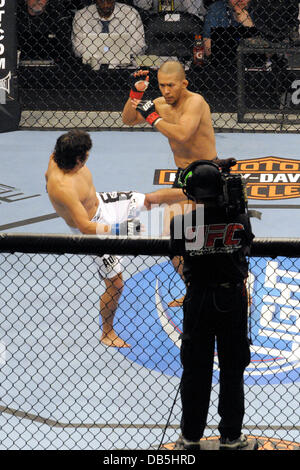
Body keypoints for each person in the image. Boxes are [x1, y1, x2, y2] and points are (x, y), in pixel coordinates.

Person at [45, 130, 187, 348]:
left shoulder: (58, 155)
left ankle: (197, 192)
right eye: (87, 155)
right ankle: (107, 332)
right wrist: (120, 229)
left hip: (102, 203)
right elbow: (85, 226)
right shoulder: (62, 187)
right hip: (94, 228)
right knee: (116, 284)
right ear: (78, 159)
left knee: (149, 200)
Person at [169, 160, 254, 450]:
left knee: (195, 369)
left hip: (199, 299)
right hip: (232, 298)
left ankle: (190, 436)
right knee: (232, 368)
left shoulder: (180, 223)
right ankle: (231, 436)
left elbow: (179, 259)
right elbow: (245, 249)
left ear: (192, 193)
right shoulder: (241, 219)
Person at [122, 60, 222, 306]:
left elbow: (182, 134)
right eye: (161, 85)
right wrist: (136, 93)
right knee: (172, 238)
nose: (166, 91)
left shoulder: (195, 102)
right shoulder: (159, 103)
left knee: (209, 242)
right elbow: (128, 119)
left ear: (184, 83)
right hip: (183, 175)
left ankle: (239, 290)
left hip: (206, 174)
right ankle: (193, 289)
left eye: (171, 85)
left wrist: (153, 118)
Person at [72, 0, 146, 70]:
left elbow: (139, 46)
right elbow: (77, 48)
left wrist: (109, 58)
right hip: (91, 68)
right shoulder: (82, 16)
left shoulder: (131, 14)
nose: (106, 5)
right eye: (102, 1)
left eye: (109, 0)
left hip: (124, 68)